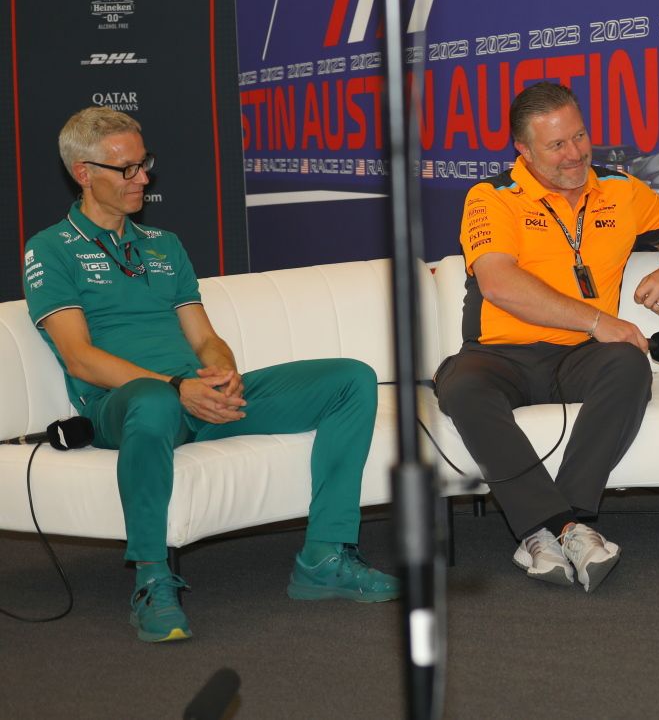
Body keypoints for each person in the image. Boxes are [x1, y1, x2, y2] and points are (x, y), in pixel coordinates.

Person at [22, 107, 398, 643]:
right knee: (152, 399)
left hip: (196, 396)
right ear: (84, 173)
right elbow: (80, 357)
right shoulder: (51, 249)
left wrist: (222, 374)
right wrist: (178, 388)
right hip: (126, 406)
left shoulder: (163, 245)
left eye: (144, 164)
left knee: (350, 379)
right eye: (126, 169)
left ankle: (324, 556)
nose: (143, 178)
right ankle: (152, 581)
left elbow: (203, 337)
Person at [434, 82, 659, 593]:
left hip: (580, 357)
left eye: (579, 136)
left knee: (628, 364)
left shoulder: (620, 189)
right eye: (556, 145)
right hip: (499, 354)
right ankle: (559, 528)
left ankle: (558, 524)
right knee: (461, 387)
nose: (575, 153)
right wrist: (600, 322)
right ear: (524, 150)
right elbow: (498, 281)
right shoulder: (491, 197)